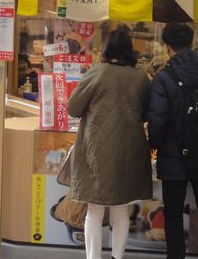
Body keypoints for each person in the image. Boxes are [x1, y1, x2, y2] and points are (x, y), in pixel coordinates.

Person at [67, 29, 152, 259]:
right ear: (129, 50)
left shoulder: (97, 72)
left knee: (94, 210)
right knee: (121, 208)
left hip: (96, 150)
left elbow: (73, 108)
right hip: (130, 149)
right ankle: (117, 256)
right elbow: (146, 113)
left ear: (105, 49)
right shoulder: (140, 77)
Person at [148, 23, 198, 259]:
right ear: (192, 43)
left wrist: (154, 144)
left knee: (172, 212)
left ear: (167, 46)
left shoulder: (164, 77)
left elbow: (158, 119)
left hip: (173, 153)